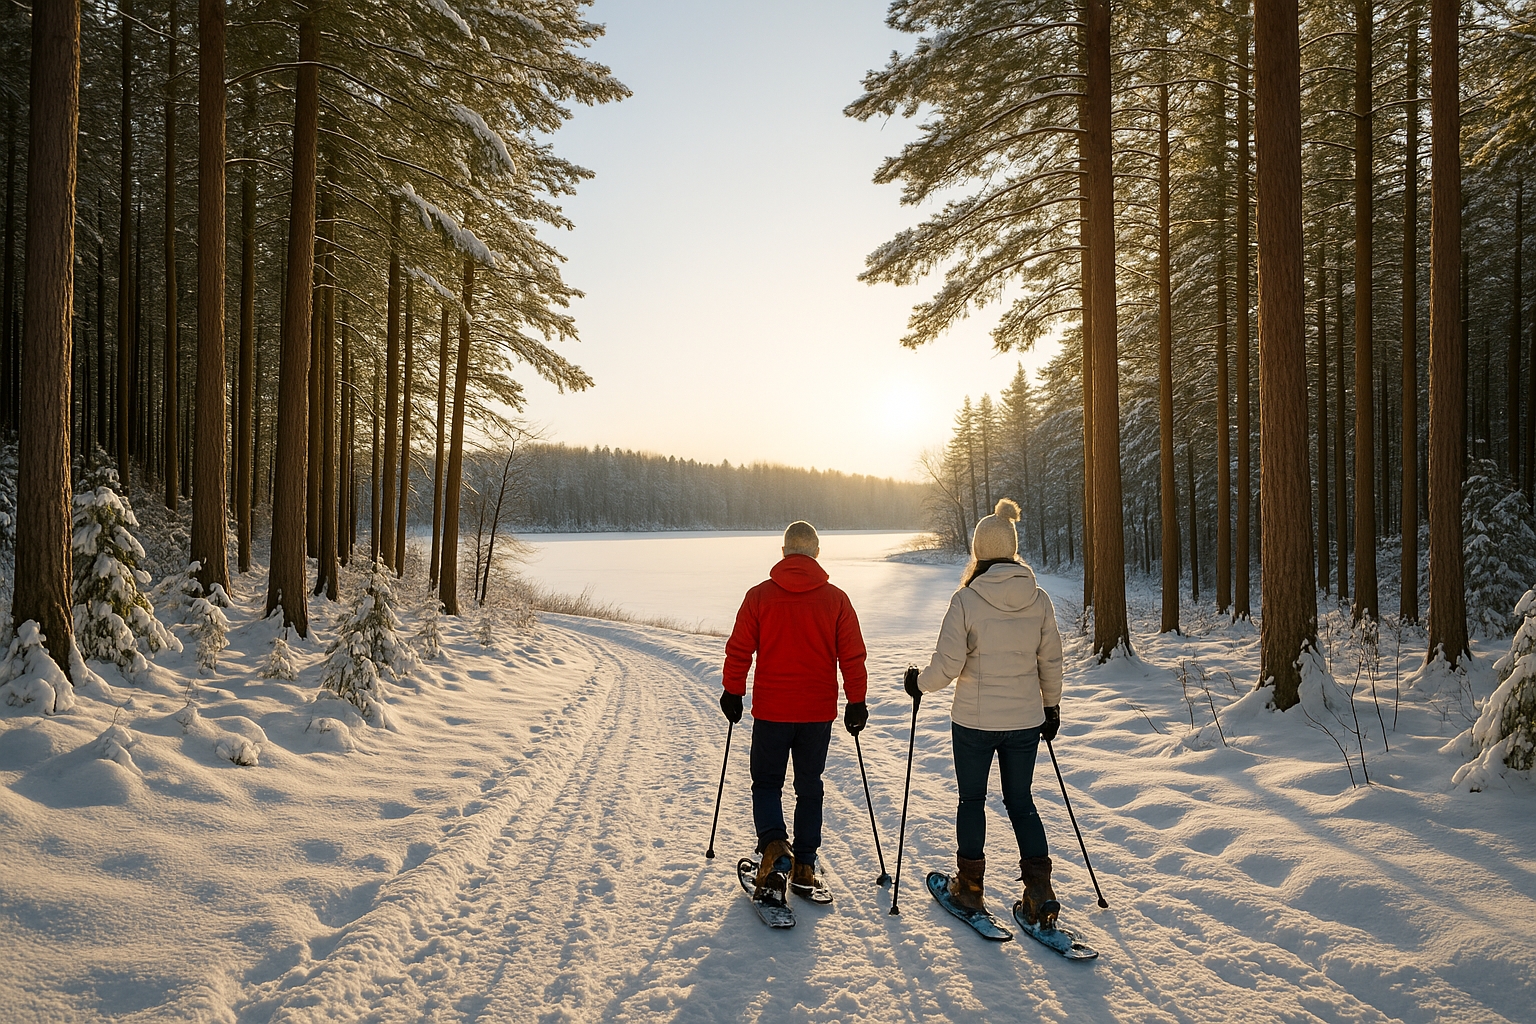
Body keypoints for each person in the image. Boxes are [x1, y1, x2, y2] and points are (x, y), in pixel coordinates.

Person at [906, 498, 1065, 925]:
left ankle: (971, 889)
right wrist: (1051, 707)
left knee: (972, 800)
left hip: (974, 723)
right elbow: (1050, 661)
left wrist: (917, 683)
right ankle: (1039, 892)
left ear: (979, 552)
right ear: (1012, 550)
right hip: (1025, 721)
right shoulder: (1040, 599)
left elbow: (946, 668)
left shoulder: (966, 600)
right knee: (1022, 801)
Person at [719, 520, 869, 904]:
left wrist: (733, 691)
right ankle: (804, 864)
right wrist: (856, 701)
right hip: (816, 714)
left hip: (772, 710)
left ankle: (774, 851)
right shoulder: (836, 600)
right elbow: (851, 656)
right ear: (816, 553)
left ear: (784, 552)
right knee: (810, 784)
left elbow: (739, 649)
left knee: (767, 783)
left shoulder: (759, 597)